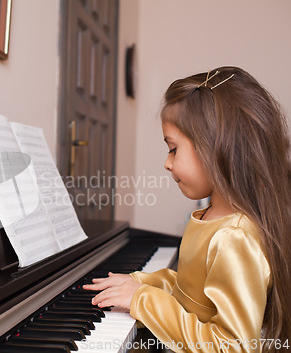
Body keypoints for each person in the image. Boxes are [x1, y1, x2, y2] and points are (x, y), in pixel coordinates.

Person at [83, 66, 291, 352]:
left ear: (214, 148)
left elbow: (232, 347)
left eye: (173, 149)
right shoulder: (211, 217)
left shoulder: (235, 238)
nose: (166, 163)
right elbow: (189, 291)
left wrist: (142, 299)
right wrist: (138, 282)